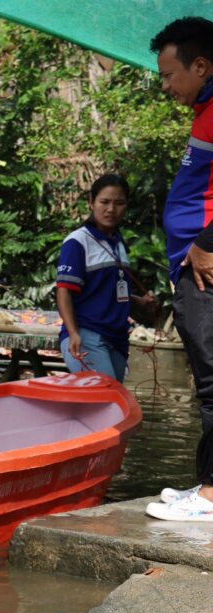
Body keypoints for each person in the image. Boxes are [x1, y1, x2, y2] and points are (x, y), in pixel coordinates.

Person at [145, 17, 213, 521]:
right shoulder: (205, 111)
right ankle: (207, 483)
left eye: (170, 74)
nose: (166, 85)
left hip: (205, 265)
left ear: (201, 66)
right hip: (194, 266)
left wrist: (206, 245)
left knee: (212, 380)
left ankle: (211, 497)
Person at [55, 174, 156, 382]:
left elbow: (108, 292)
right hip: (87, 334)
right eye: (104, 202)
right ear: (91, 203)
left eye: (119, 203)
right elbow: (63, 291)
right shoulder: (78, 242)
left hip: (117, 338)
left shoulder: (118, 242)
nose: (111, 209)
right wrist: (73, 333)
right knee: (105, 395)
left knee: (109, 398)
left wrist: (140, 302)